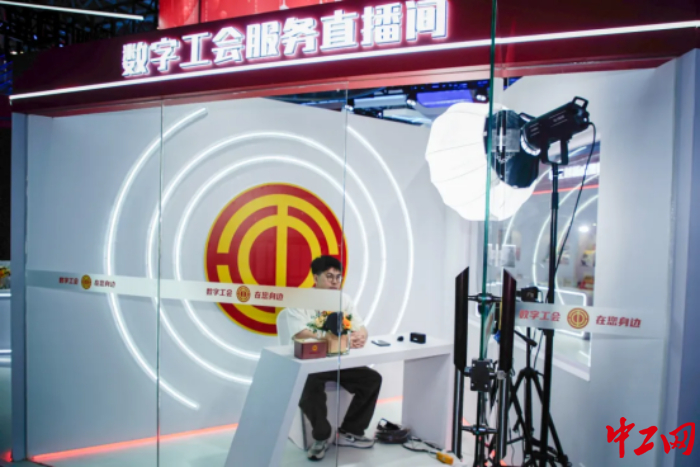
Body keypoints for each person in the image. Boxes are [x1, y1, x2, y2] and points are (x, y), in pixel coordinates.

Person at [284, 255, 382, 461]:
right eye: (329, 277)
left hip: (338, 361)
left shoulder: (343, 300)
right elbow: (299, 332)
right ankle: (321, 437)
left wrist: (361, 335)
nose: (335, 282)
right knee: (308, 386)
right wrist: (327, 336)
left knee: (372, 379)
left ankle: (350, 431)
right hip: (311, 363)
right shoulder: (299, 299)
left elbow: (360, 326)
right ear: (315, 277)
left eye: (338, 277)